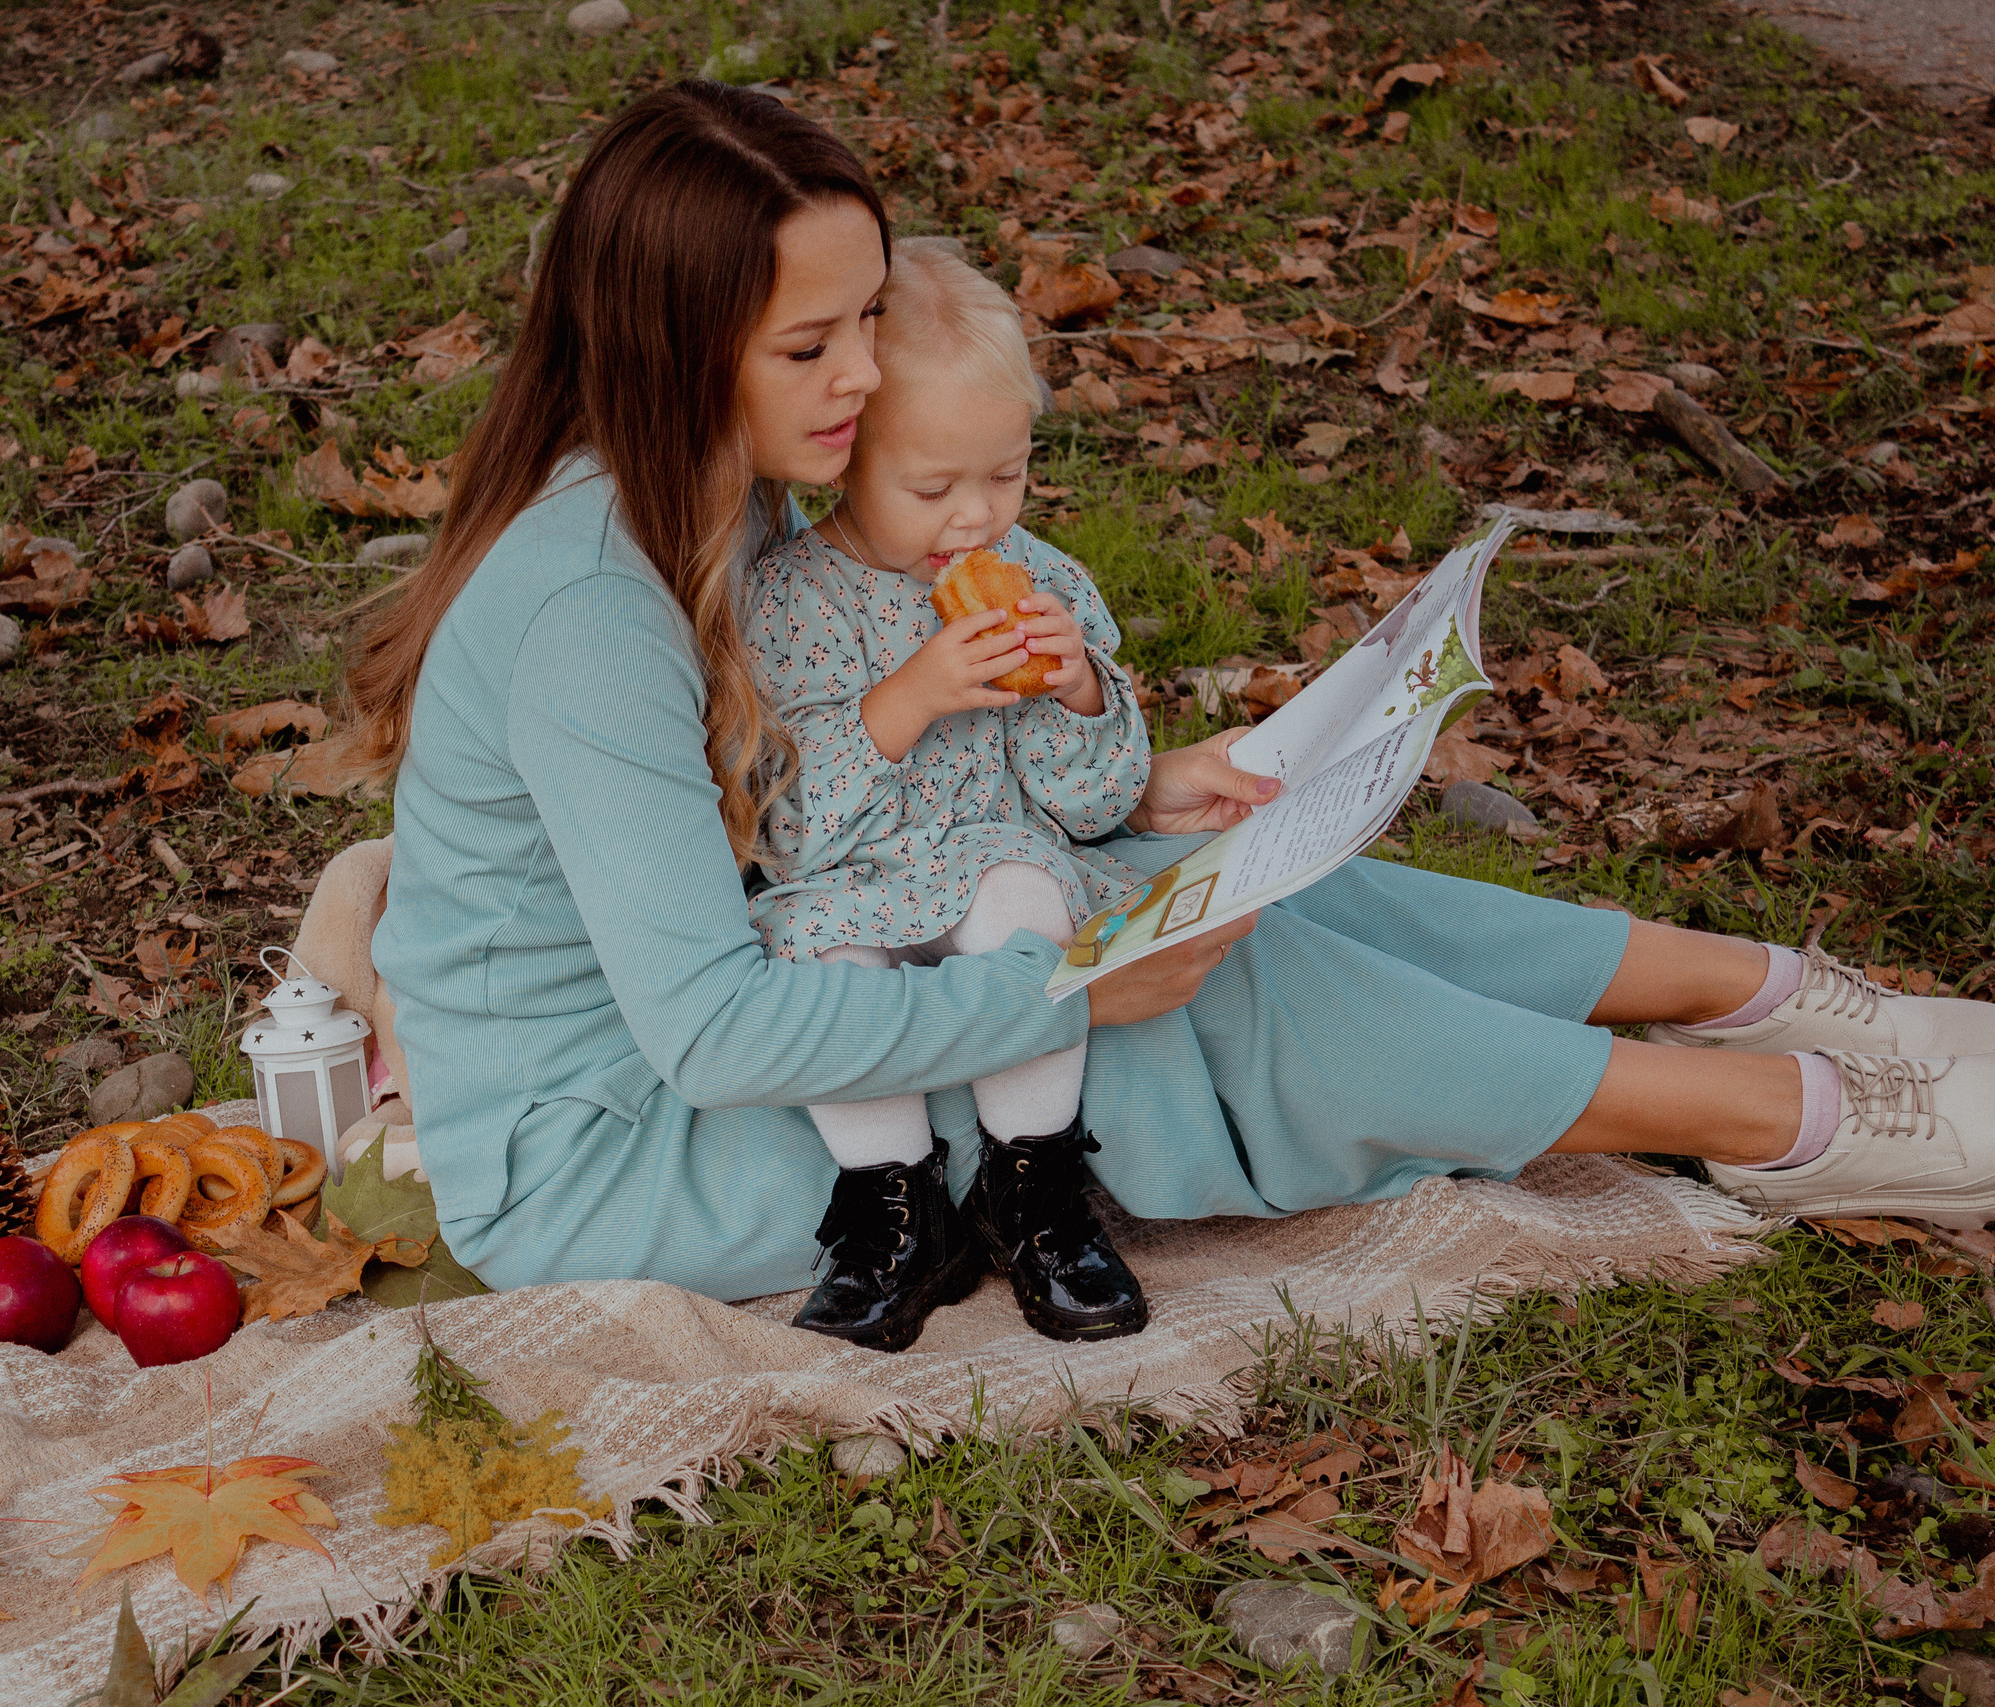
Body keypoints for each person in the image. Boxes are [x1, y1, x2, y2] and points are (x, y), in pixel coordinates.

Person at [353, 80, 1995, 1326]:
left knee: (1201, 878)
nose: (864, 374)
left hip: (763, 973)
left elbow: (806, 790)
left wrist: (1132, 791)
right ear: (676, 347)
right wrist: (1065, 996)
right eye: (811, 345)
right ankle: (1768, 1117)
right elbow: (713, 1031)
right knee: (1183, 996)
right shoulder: (591, 607)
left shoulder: (740, 491)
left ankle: (1759, 991)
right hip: (614, 1146)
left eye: (868, 319)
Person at [746, 238, 1264, 1349]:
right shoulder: (789, 602)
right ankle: (892, 1212)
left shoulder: (1044, 582)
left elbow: (1091, 806)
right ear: (842, 459)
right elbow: (787, 827)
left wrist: (1079, 689)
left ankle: (1033, 1190)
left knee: (1025, 897)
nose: (976, 518)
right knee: (819, 963)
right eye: (933, 488)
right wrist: (909, 698)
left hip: (990, 854)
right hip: (846, 882)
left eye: (1007, 474)